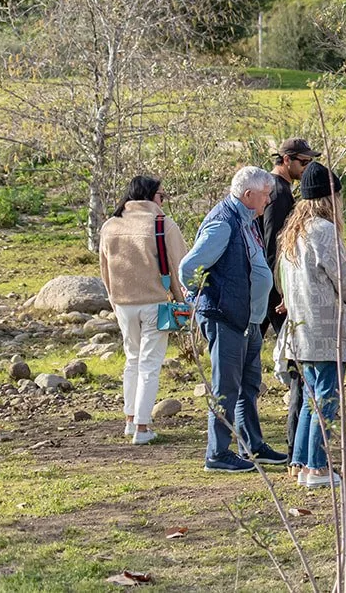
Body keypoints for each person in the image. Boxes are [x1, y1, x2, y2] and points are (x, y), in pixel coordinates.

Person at [181, 166, 286, 473]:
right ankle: (217, 453)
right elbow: (189, 267)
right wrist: (198, 299)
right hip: (226, 316)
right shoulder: (224, 223)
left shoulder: (245, 218)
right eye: (265, 195)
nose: (268, 201)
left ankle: (252, 446)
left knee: (249, 385)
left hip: (247, 319)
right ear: (248, 195)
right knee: (225, 387)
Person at [277, 162, 346, 489]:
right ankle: (317, 467)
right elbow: (341, 277)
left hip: (301, 328)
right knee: (326, 396)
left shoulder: (293, 232)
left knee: (312, 395)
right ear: (331, 197)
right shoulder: (323, 231)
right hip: (324, 327)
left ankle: (301, 463)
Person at [98, 176, 188, 445]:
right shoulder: (162, 225)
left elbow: (104, 270)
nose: (163, 201)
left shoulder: (110, 226)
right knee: (150, 364)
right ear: (151, 196)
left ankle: (130, 419)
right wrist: (183, 301)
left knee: (132, 360)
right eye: (162, 195)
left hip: (123, 303)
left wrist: (113, 300)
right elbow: (178, 267)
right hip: (155, 303)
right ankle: (143, 425)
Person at [263, 138, 318, 454]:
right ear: (286, 159)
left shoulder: (278, 190)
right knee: (299, 368)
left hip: (273, 287)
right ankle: (297, 445)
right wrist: (284, 292)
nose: (306, 166)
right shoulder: (279, 194)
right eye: (303, 161)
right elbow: (275, 246)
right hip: (278, 292)